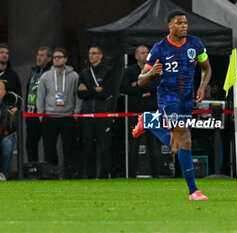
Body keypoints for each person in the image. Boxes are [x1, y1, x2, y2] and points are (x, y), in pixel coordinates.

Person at [133, 9, 212, 200]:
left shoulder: (195, 43)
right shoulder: (160, 48)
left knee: (180, 144)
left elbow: (207, 68)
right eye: (179, 23)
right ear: (170, 25)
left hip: (187, 97)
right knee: (184, 137)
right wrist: (151, 73)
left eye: (185, 23)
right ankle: (193, 191)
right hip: (169, 97)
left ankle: (150, 122)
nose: (184, 26)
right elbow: (140, 79)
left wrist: (202, 87)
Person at [36, 47, 82, 178]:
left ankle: (69, 173)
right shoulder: (45, 76)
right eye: (55, 57)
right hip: (49, 117)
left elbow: (77, 95)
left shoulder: (74, 76)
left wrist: (76, 113)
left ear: (65, 59)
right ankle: (52, 173)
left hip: (67, 116)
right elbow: (41, 96)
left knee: (69, 148)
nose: (56, 59)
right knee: (49, 148)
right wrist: (41, 115)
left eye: (59, 57)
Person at [120, 45, 161, 178]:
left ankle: (156, 175)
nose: (145, 55)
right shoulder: (129, 71)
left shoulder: (155, 69)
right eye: (142, 53)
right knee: (134, 145)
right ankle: (132, 175)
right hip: (135, 113)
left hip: (152, 112)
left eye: (147, 53)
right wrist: (141, 86)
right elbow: (124, 88)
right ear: (136, 56)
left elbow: (157, 86)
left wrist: (137, 84)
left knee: (154, 145)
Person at [77, 46, 116, 179]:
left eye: (94, 53)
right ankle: (90, 176)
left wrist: (88, 91)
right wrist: (94, 91)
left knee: (104, 147)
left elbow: (106, 93)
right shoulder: (85, 72)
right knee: (88, 147)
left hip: (102, 114)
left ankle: (105, 175)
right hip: (88, 114)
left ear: (101, 56)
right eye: (89, 54)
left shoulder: (107, 71)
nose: (91, 56)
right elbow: (80, 93)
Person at [25, 46, 52, 162]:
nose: (39, 57)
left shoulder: (51, 73)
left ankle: (49, 171)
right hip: (31, 114)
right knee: (30, 144)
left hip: (44, 115)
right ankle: (34, 169)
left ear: (49, 59)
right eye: (38, 55)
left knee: (48, 144)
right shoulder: (34, 72)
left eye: (42, 55)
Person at [0, 81, 17, 181]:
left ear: (4, 92)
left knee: (8, 142)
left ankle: (3, 173)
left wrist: (13, 117)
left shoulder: (9, 106)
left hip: (4, 137)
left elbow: (13, 129)